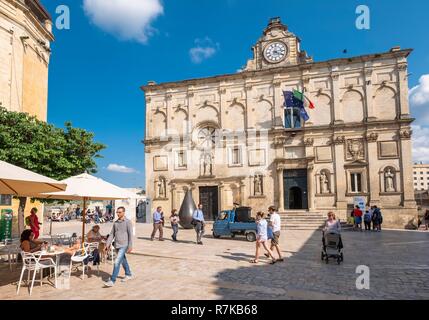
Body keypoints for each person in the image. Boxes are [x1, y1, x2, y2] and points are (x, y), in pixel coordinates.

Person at [104, 206, 134, 287]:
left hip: (124, 245)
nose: (118, 213)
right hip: (117, 245)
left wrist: (130, 246)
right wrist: (107, 244)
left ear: (123, 212)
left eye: (119, 212)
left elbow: (130, 235)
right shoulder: (116, 223)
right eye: (117, 212)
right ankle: (128, 274)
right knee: (123, 260)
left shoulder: (128, 222)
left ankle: (112, 280)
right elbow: (111, 234)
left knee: (117, 262)